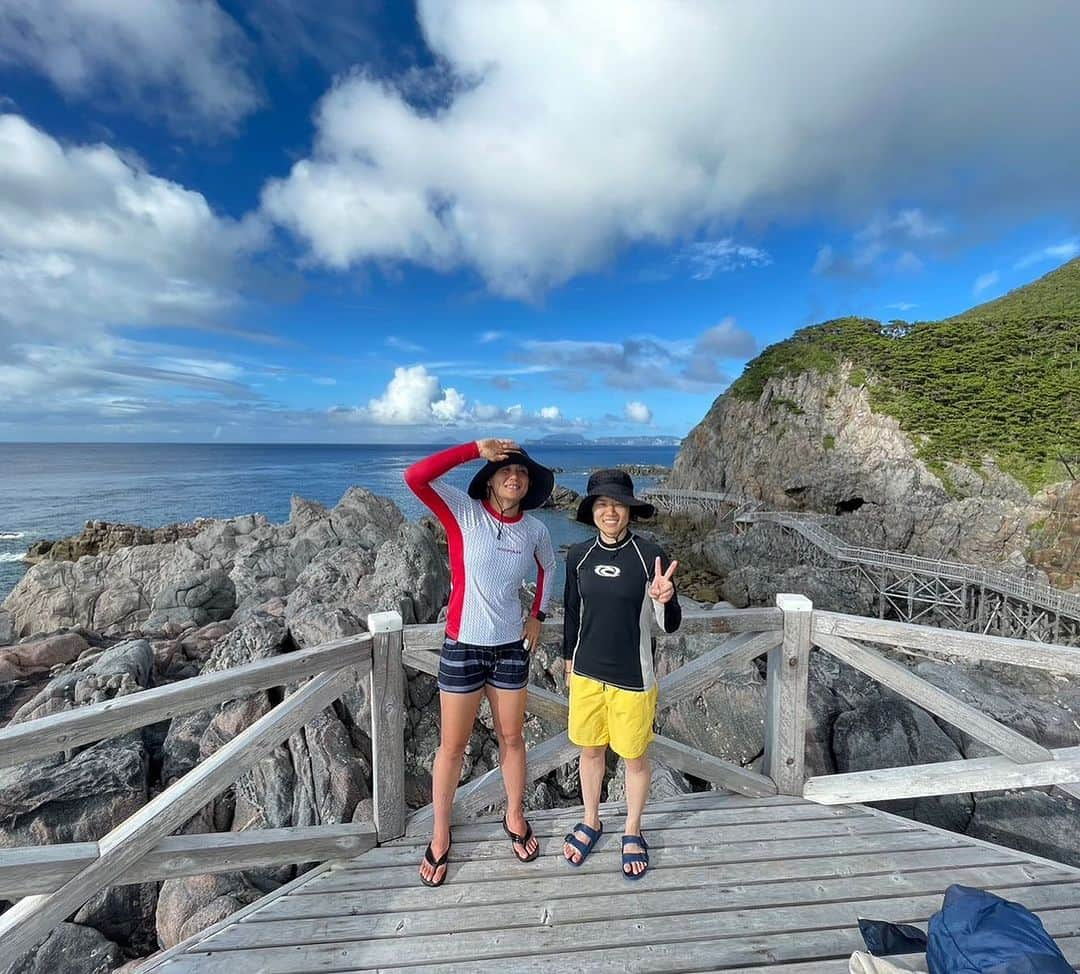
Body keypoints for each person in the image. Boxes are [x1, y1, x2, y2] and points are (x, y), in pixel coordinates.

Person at [404, 438, 556, 887]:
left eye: (523, 473)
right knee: (452, 747)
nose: (515, 476)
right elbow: (415, 476)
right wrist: (475, 448)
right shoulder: (463, 513)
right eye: (506, 469)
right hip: (463, 646)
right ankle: (439, 832)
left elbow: (549, 568)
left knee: (512, 738)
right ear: (490, 479)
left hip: (511, 648)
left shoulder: (535, 531)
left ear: (529, 486)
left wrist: (538, 616)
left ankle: (514, 815)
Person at [561, 468, 681, 880]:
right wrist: (567, 659)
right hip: (587, 674)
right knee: (590, 751)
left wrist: (665, 598)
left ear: (629, 510)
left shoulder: (651, 556)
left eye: (617, 504)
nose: (609, 511)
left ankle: (632, 829)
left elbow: (669, 625)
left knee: (633, 757)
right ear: (591, 510)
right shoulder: (578, 556)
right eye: (601, 504)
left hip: (634, 676)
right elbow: (573, 614)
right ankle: (591, 819)